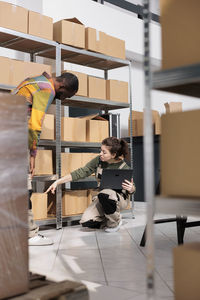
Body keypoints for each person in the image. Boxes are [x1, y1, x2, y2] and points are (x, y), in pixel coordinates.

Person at [12, 71, 79, 245]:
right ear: (62, 86)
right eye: (65, 96)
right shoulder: (47, 89)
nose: (62, 100)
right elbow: (34, 124)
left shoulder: (33, 80)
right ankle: (29, 234)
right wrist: (33, 155)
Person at [46, 137, 135, 233]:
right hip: (102, 197)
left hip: (119, 199)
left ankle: (115, 222)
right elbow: (81, 172)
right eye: (101, 150)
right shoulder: (98, 161)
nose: (100, 154)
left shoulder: (123, 167)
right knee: (86, 222)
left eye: (104, 152)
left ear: (113, 155)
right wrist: (57, 182)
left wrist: (131, 188)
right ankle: (110, 217)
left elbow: (133, 188)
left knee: (106, 194)